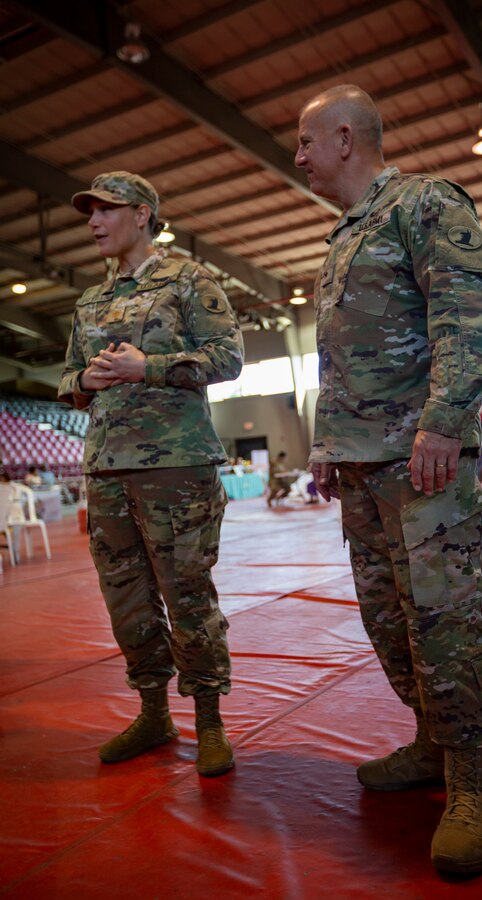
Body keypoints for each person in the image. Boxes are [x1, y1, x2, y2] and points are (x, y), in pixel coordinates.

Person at [295, 85, 482, 876]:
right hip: (360, 465)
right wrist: (325, 443)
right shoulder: (344, 234)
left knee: (444, 625)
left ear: (345, 137)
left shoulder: (424, 203)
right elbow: (341, 359)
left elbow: (469, 321)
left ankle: (476, 787)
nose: (299, 156)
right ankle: (429, 742)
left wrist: (443, 422)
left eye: (307, 141)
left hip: (424, 461)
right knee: (390, 623)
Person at [58, 171, 244, 777]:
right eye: (90, 212)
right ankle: (154, 712)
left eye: (105, 210)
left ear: (142, 214)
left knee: (187, 595)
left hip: (175, 466)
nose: (93, 222)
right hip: (107, 469)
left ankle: (210, 721)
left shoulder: (188, 279)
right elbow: (68, 379)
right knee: (127, 601)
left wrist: (150, 366)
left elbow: (229, 358)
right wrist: (84, 381)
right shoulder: (90, 301)